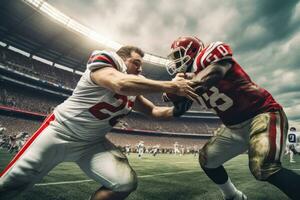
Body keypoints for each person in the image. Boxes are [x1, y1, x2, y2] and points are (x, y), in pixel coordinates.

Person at [0, 45, 198, 200]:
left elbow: (154, 111)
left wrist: (179, 108)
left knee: (124, 182)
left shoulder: (133, 89)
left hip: (91, 144)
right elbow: (119, 84)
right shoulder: (107, 62)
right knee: (10, 184)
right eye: (136, 62)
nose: (140, 68)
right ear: (122, 58)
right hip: (59, 133)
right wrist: (171, 85)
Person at [165, 36, 300, 200]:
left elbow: (213, 74)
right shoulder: (188, 80)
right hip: (234, 127)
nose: (176, 61)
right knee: (207, 160)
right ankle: (234, 196)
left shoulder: (207, 58)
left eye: (178, 54)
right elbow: (174, 112)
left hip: (262, 113)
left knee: (264, 167)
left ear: (192, 51)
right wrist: (165, 95)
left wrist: (177, 88)